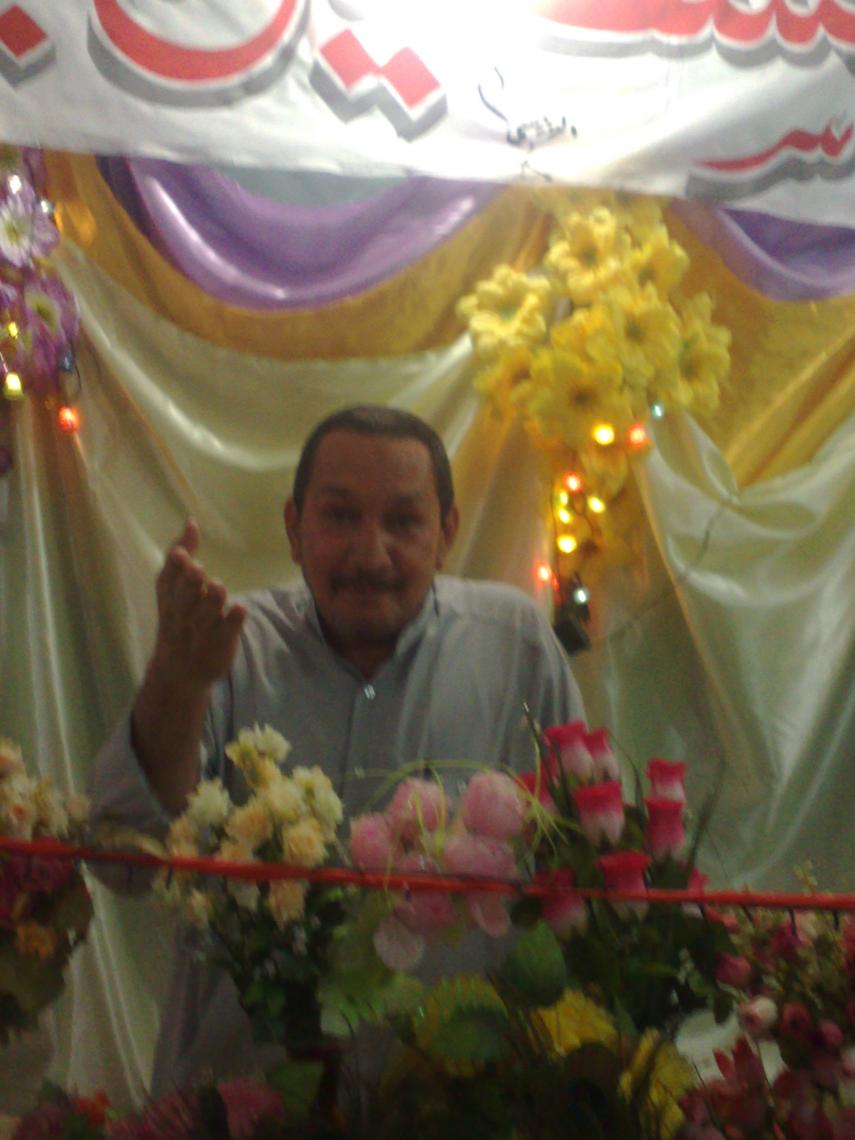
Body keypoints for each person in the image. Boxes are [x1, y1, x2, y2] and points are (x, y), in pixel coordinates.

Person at [91, 404, 585, 1095]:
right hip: (243, 1099)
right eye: (341, 517)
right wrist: (179, 677)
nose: (370, 554)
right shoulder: (231, 647)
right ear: (295, 528)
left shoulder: (516, 647)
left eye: (403, 522)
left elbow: (579, 875)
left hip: (461, 1101)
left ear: (447, 533)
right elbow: (125, 860)